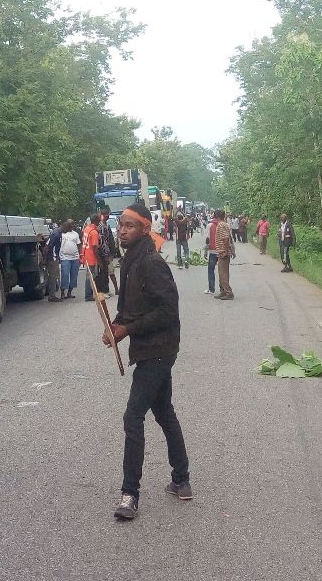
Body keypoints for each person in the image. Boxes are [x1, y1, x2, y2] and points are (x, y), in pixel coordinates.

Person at [102, 203, 190, 521]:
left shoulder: (152, 263)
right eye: (120, 225)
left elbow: (167, 312)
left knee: (133, 416)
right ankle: (181, 480)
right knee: (164, 412)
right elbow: (129, 307)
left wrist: (128, 330)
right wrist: (115, 326)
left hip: (159, 350)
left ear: (144, 229)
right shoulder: (130, 260)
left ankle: (130, 495)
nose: (122, 230)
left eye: (129, 226)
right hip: (149, 348)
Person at [214, 209, 235, 300]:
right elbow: (230, 238)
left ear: (217, 216)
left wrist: (226, 252)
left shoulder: (221, 225)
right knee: (222, 273)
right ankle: (223, 291)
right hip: (223, 252)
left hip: (223, 252)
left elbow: (226, 239)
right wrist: (232, 250)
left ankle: (228, 292)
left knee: (223, 274)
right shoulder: (225, 224)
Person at [99, 208, 120, 295]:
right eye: (105, 216)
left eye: (108, 216)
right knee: (104, 273)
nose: (107, 217)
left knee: (110, 272)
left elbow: (111, 240)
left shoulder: (107, 226)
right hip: (101, 253)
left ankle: (115, 289)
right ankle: (105, 290)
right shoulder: (99, 226)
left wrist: (112, 253)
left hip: (107, 252)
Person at [80, 214, 101, 302]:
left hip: (85, 254)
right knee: (90, 277)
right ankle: (88, 295)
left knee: (90, 275)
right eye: (99, 220)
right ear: (96, 221)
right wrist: (99, 259)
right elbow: (95, 247)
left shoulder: (87, 229)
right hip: (91, 256)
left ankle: (90, 294)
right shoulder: (94, 232)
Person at [59, 219, 81, 299]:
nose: (72, 225)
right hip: (65, 257)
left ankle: (69, 293)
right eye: (70, 224)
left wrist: (80, 256)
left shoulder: (75, 234)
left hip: (75, 258)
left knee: (74, 276)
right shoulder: (62, 233)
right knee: (65, 275)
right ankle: (62, 293)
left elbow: (79, 245)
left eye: (73, 224)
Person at [45, 220, 62, 302]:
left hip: (53, 258)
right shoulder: (56, 235)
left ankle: (51, 294)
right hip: (52, 258)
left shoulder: (56, 234)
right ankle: (51, 296)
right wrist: (47, 258)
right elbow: (48, 247)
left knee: (54, 276)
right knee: (53, 277)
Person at [205, 212, 219, 295]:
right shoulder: (224, 225)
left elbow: (207, 239)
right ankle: (223, 289)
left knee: (211, 270)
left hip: (213, 251)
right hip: (221, 251)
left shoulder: (209, 225)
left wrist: (205, 251)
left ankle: (211, 289)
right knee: (222, 272)